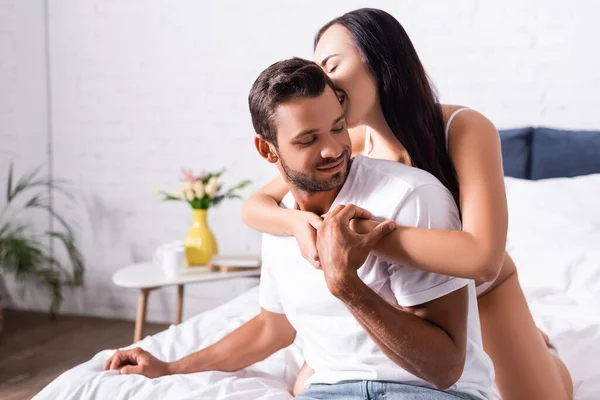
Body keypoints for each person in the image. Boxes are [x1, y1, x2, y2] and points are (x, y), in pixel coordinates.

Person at [104, 57, 493, 400]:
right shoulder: (280, 221)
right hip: (328, 391)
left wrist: (347, 287)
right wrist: (171, 368)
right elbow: (270, 330)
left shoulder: (410, 197)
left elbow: (444, 369)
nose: (333, 149)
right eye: (308, 139)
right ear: (267, 150)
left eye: (338, 128)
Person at [241, 8, 573, 400]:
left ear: (378, 59)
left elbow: (483, 257)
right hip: (397, 304)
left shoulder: (462, 128)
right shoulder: (346, 143)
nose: (322, 81)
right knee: (303, 385)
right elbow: (256, 204)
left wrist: (358, 235)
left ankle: (542, 345)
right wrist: (298, 224)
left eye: (331, 65)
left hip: (483, 288)